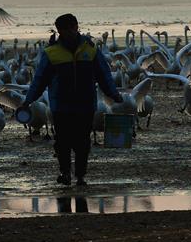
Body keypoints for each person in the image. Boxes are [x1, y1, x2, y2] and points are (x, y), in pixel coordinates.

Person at [21, 13, 122, 186]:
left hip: (85, 105)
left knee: (82, 141)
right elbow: (39, 80)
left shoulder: (90, 51)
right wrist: (27, 101)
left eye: (71, 28)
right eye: (64, 30)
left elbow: (103, 75)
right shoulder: (51, 53)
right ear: (59, 31)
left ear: (77, 27)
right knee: (62, 141)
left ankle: (81, 175)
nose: (68, 32)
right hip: (61, 106)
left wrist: (114, 94)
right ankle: (65, 173)